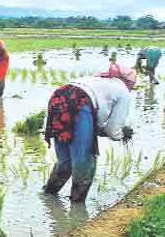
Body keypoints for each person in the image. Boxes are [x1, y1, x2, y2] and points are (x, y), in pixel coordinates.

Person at [43, 64, 136, 202]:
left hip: (58, 97)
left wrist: (98, 130)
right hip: (79, 102)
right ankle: (78, 210)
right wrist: (122, 134)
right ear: (129, 82)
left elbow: (96, 121)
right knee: (84, 162)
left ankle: (47, 196)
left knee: (65, 162)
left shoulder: (97, 81)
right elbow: (113, 130)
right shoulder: (124, 92)